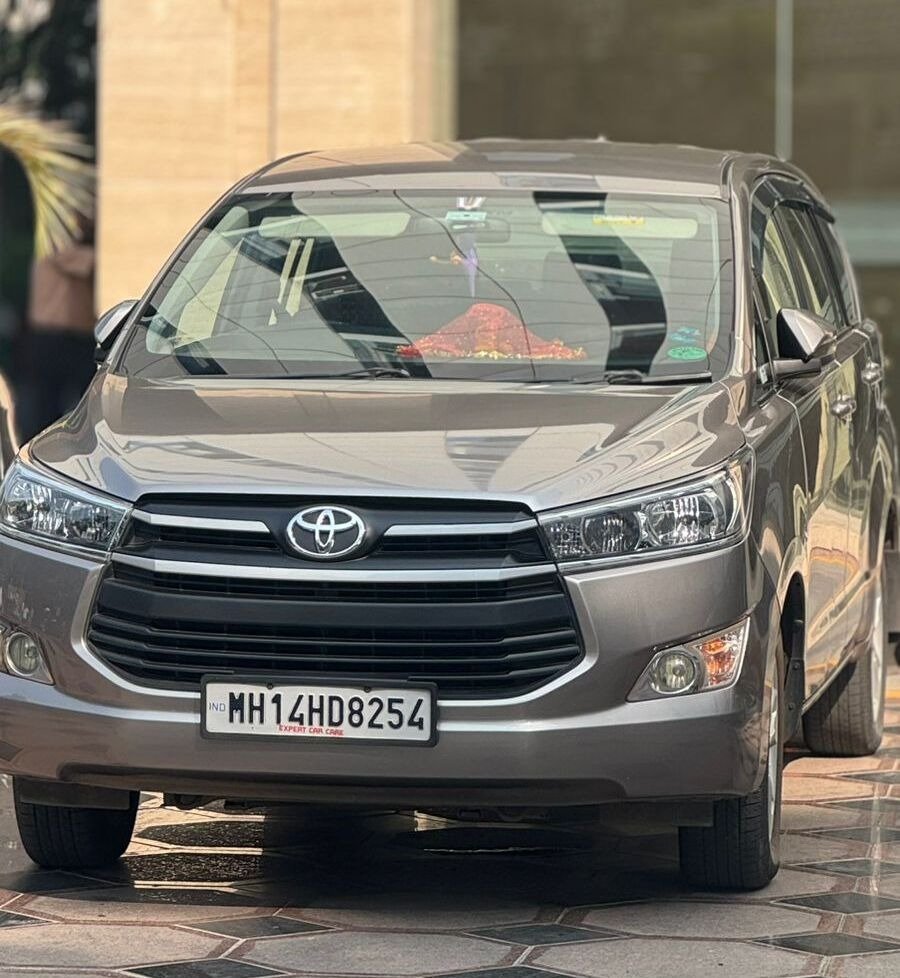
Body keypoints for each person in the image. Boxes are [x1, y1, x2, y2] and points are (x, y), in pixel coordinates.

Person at [17, 217, 96, 441]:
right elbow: (92, 262)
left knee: (86, 408)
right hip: (52, 338)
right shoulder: (55, 235)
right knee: (42, 412)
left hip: (77, 338)